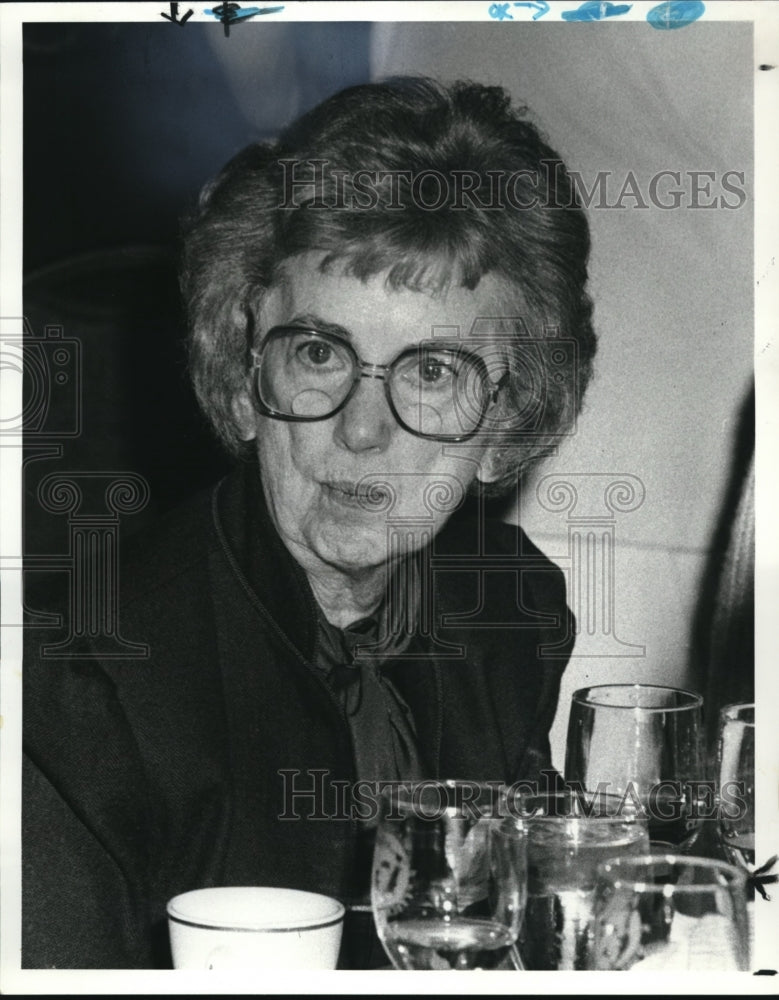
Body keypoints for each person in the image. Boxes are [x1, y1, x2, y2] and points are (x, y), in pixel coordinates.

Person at [22, 77, 596, 968]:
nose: (359, 432)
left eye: (432, 371)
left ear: (506, 425)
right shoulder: (79, 681)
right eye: (320, 353)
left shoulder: (506, 611)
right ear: (246, 375)